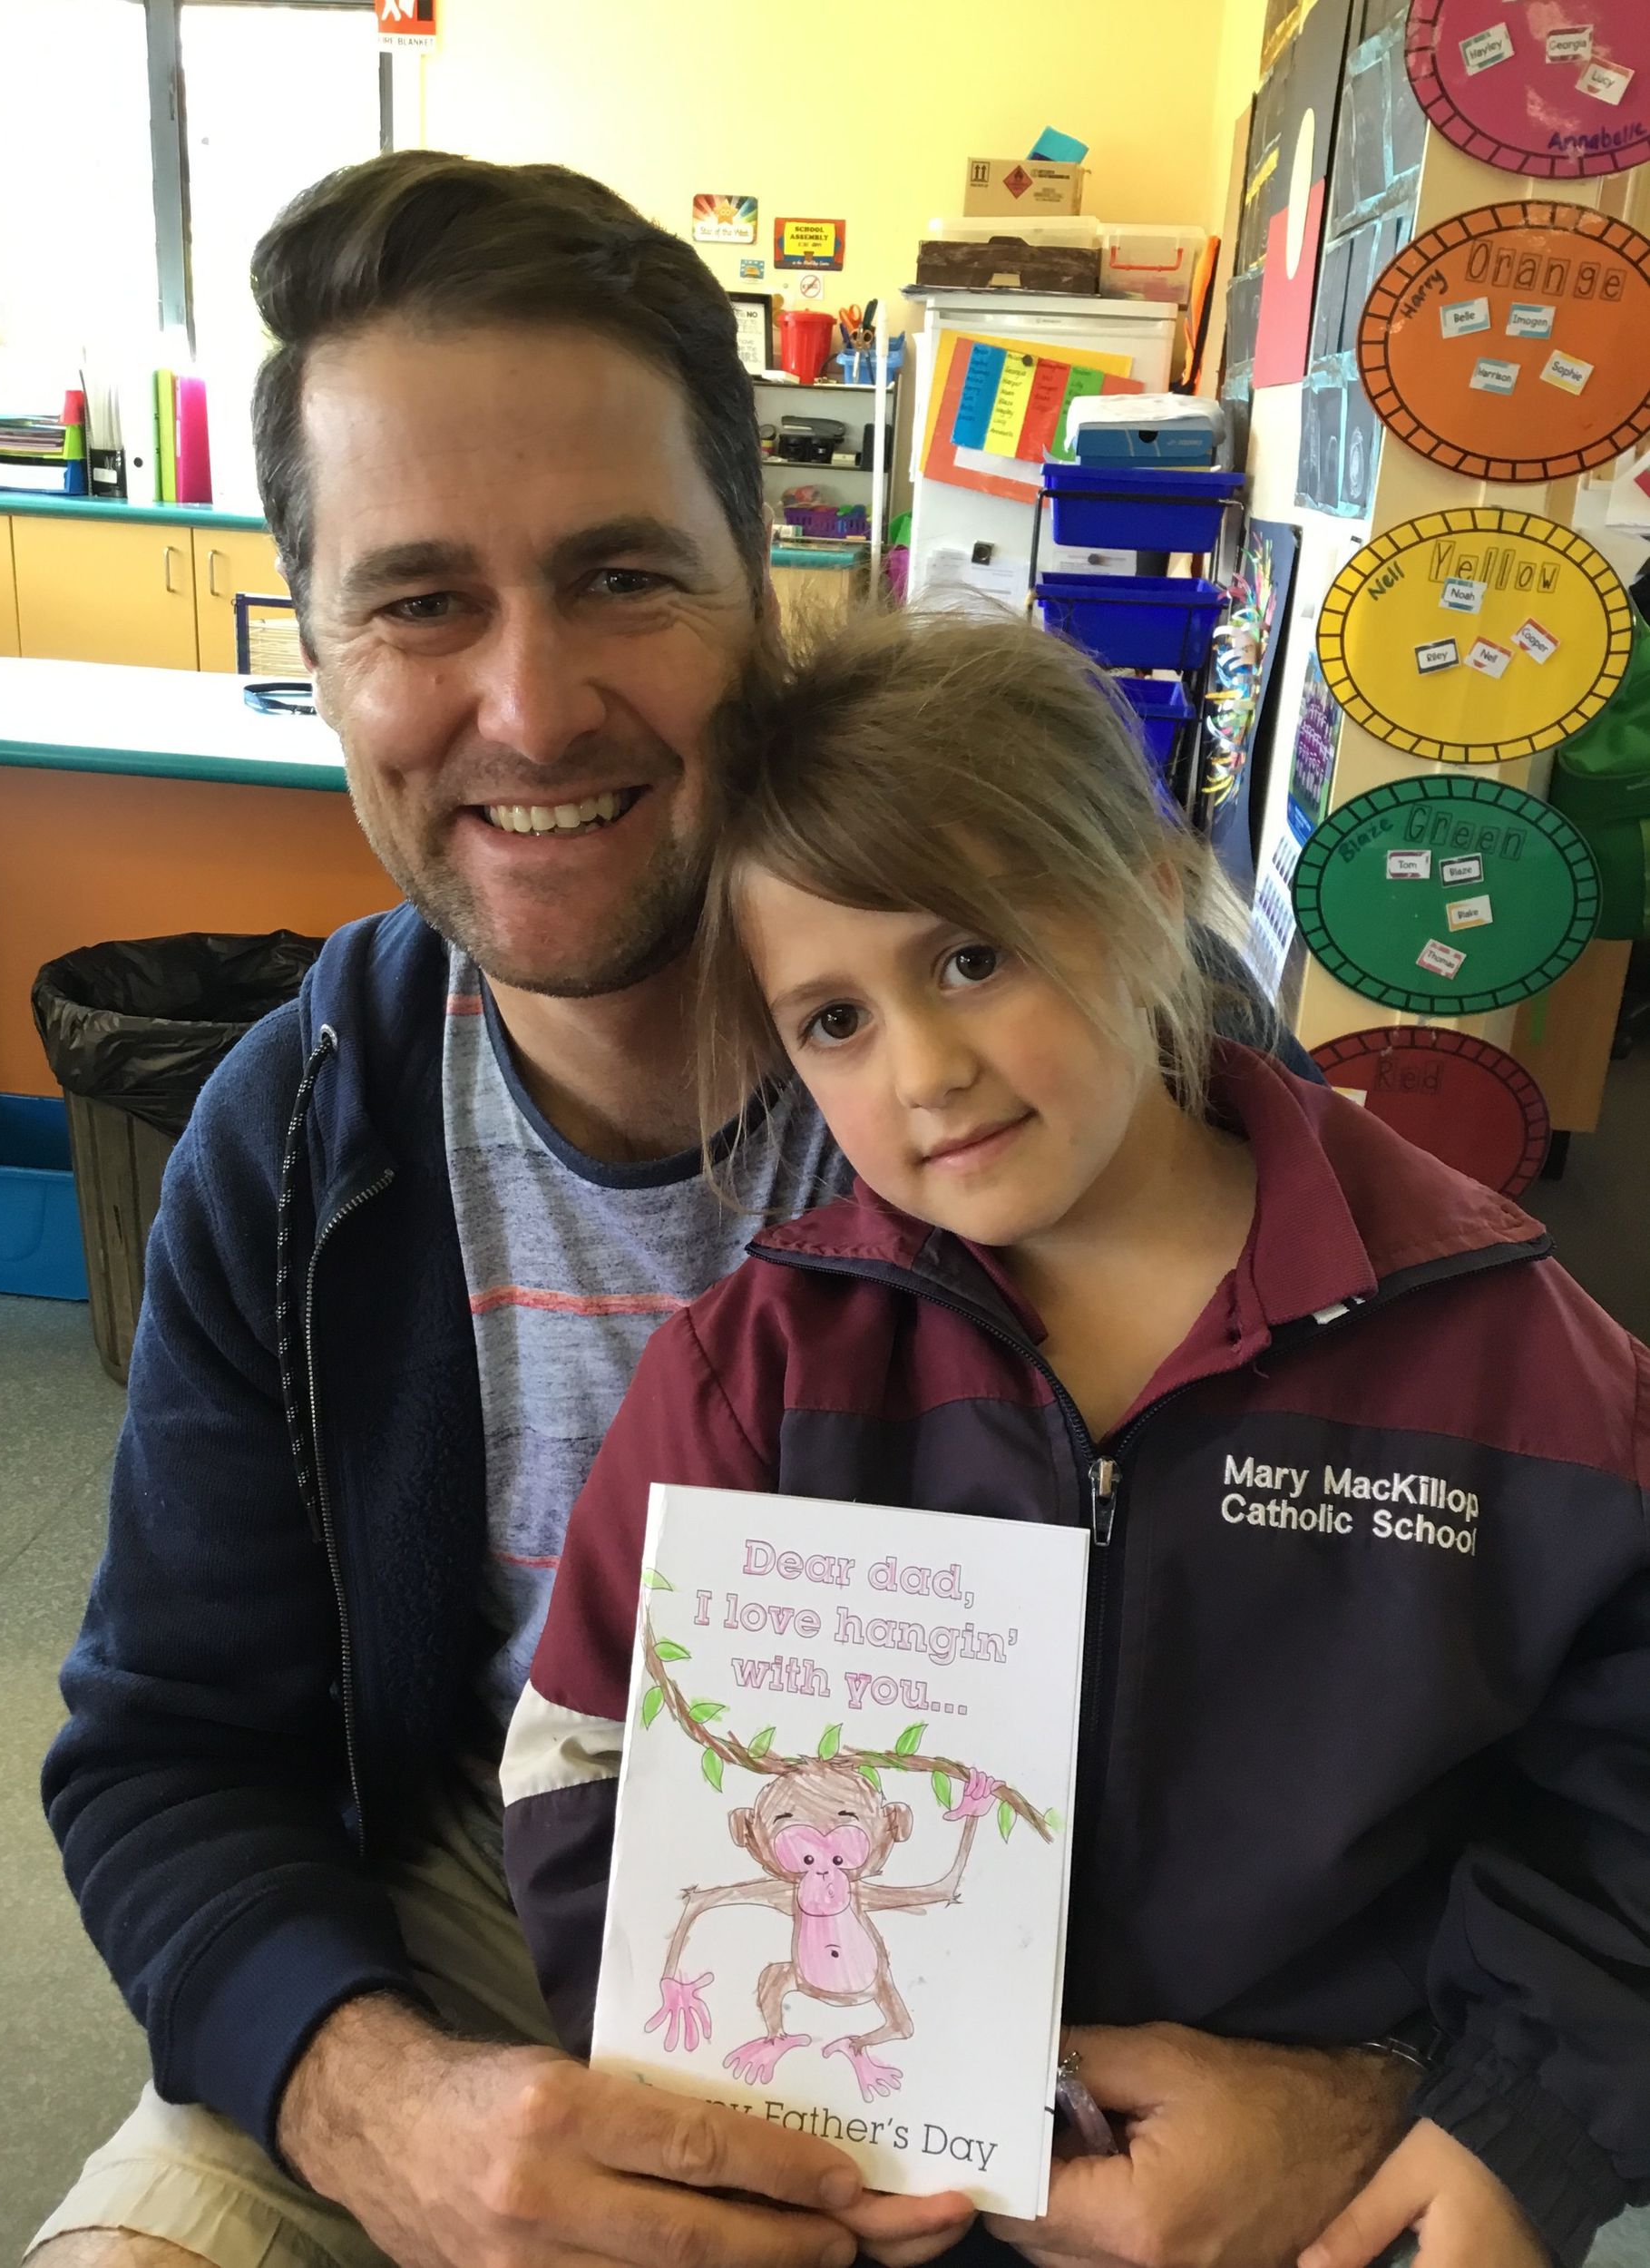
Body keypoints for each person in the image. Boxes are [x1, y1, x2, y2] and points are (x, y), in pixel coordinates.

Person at [33, 151, 1405, 2268]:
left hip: (1090, 2001)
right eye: (418, 602)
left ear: (760, 583)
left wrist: (1373, 2076)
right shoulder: (298, 1129)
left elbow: (1475, 1647)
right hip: (478, 1962)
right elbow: (164, 1749)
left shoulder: (1111, 1057)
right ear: (315, 650)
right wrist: (368, 2095)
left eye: (619, 577)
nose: (529, 708)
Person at [502, 609, 1650, 2268]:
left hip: (1327, 2212)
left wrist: (1513, 2122)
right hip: (864, 2203)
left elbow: (1626, 1803)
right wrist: (756, 2129)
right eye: (834, 1021)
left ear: (1152, 895)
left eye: (973, 957)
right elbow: (589, 1766)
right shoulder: (762, 1376)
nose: (926, 1070)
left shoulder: (1511, 1367)